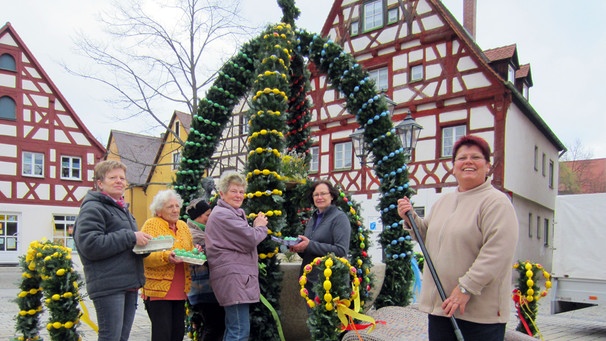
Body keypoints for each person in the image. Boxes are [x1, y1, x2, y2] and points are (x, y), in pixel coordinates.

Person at [397, 135, 519, 341]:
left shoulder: (496, 203)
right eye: (462, 158)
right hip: (442, 308)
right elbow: (429, 237)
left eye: (476, 157)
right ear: (453, 167)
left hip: (478, 314)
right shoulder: (443, 201)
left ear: (487, 166)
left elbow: (498, 252)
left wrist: (466, 287)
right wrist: (411, 218)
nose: (468, 162)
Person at [73, 160, 153, 341]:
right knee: (111, 337)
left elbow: (125, 245)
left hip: (128, 283)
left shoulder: (121, 208)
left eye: (122, 178)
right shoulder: (93, 207)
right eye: (113, 177)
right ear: (100, 183)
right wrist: (131, 237)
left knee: (121, 338)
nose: (119, 181)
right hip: (108, 286)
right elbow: (90, 244)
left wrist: (144, 246)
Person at [205, 172, 268, 341]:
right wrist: (260, 226)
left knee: (234, 328)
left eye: (241, 191)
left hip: (234, 278)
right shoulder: (223, 214)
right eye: (234, 191)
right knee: (239, 331)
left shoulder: (227, 213)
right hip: (234, 279)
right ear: (222, 194)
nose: (238, 195)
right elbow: (250, 238)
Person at [141, 189, 195, 341]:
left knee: (177, 334)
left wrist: (195, 252)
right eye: (170, 207)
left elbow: (188, 250)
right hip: (158, 290)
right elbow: (145, 256)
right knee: (162, 335)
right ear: (159, 211)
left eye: (177, 206)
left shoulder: (183, 226)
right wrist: (166, 257)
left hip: (180, 289)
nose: (175, 210)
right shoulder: (151, 225)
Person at [290, 180, 351, 301]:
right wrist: (299, 248)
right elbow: (311, 250)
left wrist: (309, 245)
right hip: (310, 279)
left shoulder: (339, 218)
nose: (319, 197)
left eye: (323, 193)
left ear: (332, 196)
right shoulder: (313, 218)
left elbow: (341, 250)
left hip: (329, 283)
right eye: (316, 195)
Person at [185, 199, 225, 341]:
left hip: (208, 288)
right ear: (198, 216)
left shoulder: (204, 231)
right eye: (208, 215)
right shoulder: (194, 235)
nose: (211, 218)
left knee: (214, 326)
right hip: (203, 289)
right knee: (214, 327)